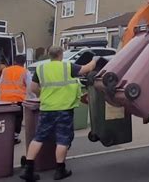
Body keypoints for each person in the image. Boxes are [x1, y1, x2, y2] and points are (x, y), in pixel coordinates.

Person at [20, 46, 97, 181]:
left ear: (49, 55)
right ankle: (59, 170)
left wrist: (42, 95)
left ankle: (28, 169)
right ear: (61, 55)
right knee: (62, 139)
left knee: (39, 137)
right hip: (64, 110)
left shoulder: (41, 68)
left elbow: (32, 88)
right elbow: (87, 69)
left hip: (46, 109)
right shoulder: (67, 67)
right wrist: (95, 60)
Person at [0, 55, 30, 144]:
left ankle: (5, 135)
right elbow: (30, 86)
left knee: (6, 118)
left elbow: (1, 83)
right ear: (24, 63)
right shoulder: (25, 72)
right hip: (17, 100)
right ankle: (15, 137)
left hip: (5, 99)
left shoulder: (5, 70)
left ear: (15, 61)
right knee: (17, 119)